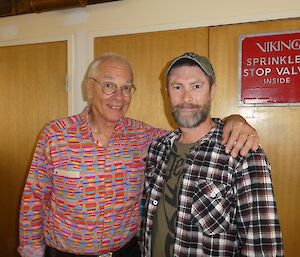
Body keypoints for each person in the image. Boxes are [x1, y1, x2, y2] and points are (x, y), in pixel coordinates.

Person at [18, 53, 259, 257]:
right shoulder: (56, 135)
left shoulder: (146, 137)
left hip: (127, 252)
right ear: (90, 87)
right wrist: (31, 251)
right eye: (109, 85)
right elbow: (34, 198)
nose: (118, 97)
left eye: (126, 88)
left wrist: (234, 120)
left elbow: (192, 131)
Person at [143, 52, 283, 257]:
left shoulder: (242, 153)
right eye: (177, 87)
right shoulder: (157, 149)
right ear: (167, 92)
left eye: (196, 86)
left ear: (212, 90)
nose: (186, 98)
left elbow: (264, 248)